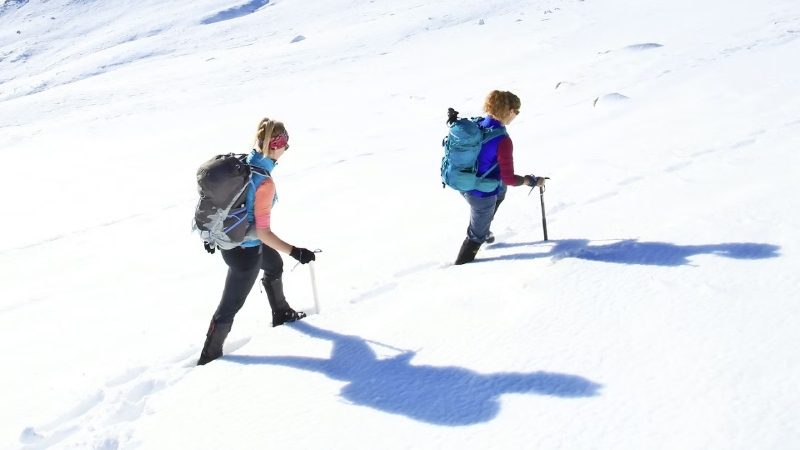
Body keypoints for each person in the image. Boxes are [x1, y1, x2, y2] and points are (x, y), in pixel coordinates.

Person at [198, 118, 318, 365]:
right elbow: (263, 233)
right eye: (285, 143)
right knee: (230, 305)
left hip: (234, 242)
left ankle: (282, 313)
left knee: (274, 266)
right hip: (245, 253)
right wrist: (296, 251)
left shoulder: (245, 163)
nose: (287, 148)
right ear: (276, 146)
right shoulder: (265, 183)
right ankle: (208, 358)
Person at [454, 90, 547, 265]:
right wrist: (532, 180)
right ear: (510, 111)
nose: (516, 115)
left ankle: (484, 225)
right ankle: (460, 267)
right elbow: (510, 179)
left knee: (500, 191)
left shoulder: (479, 124)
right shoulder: (502, 140)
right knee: (476, 236)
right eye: (516, 112)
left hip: (462, 181)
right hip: (481, 194)